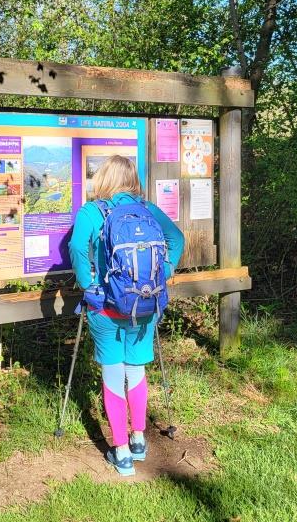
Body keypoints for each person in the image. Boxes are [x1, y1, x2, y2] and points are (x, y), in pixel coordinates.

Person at [68, 155, 185, 476]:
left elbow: (77, 248)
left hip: (105, 307)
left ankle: (120, 452)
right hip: (144, 306)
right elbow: (176, 239)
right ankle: (138, 440)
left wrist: (88, 284)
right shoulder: (147, 210)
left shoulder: (91, 212)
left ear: (103, 179)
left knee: (112, 374)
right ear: (133, 179)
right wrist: (164, 272)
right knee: (135, 372)